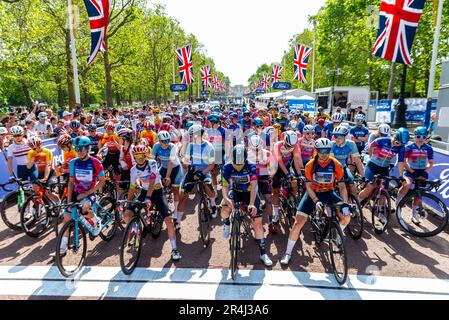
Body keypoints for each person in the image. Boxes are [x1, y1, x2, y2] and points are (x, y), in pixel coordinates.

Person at [280, 138, 349, 265]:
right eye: (321, 150)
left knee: (347, 216)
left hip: (328, 193)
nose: (324, 153)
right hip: (313, 193)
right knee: (298, 222)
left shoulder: (336, 164)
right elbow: (308, 186)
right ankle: (288, 252)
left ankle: (336, 234)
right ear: (316, 151)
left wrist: (345, 203)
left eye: (327, 150)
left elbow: (343, 187)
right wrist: (316, 201)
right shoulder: (310, 165)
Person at [50, 136, 106, 257]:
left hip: (89, 192)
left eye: (81, 149)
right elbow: (71, 182)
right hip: (76, 193)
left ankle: (96, 220)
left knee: (84, 208)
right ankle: (62, 249)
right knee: (66, 217)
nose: (79, 151)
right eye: (77, 149)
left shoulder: (96, 162)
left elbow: (102, 182)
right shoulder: (74, 162)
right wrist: (70, 200)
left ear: (87, 149)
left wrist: (86, 193)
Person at [124, 145, 181, 261]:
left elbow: (152, 180)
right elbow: (132, 187)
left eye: (142, 155)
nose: (139, 158)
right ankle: (135, 229)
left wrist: (149, 197)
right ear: (134, 156)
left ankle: (175, 249)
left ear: (146, 155)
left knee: (169, 220)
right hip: (145, 192)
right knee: (127, 214)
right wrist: (128, 203)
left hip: (157, 192)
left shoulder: (152, 163)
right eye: (137, 156)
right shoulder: (133, 170)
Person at [220, 144, 273, 267]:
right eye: (236, 163)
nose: (238, 166)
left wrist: (251, 204)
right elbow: (225, 185)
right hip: (236, 192)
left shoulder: (251, 166)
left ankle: (263, 254)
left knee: (258, 224)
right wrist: (226, 198)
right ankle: (227, 223)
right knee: (224, 207)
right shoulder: (227, 166)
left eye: (241, 163)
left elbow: (254, 185)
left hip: (250, 193)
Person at [358, 127, 408, 225]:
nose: (397, 145)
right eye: (397, 142)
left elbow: (401, 162)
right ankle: (357, 203)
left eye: (400, 144)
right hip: (372, 166)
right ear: (394, 137)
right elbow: (371, 145)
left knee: (383, 190)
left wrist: (401, 176)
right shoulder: (383, 140)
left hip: (384, 168)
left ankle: (380, 211)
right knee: (370, 186)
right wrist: (372, 156)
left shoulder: (401, 147)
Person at [179, 124, 217, 230]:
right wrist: (185, 162)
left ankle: (213, 204)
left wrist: (202, 172)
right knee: (182, 194)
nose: (192, 137)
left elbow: (212, 165)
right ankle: (177, 221)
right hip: (193, 171)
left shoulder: (209, 146)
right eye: (191, 135)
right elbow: (186, 161)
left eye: (193, 135)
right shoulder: (190, 146)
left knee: (208, 186)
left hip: (205, 171)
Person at [397, 126, 433, 224]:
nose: (421, 139)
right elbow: (404, 161)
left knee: (419, 194)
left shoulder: (428, 148)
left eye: (423, 136)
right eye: (418, 136)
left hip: (422, 171)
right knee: (407, 185)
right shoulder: (409, 147)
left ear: (426, 137)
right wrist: (412, 171)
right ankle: (398, 205)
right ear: (414, 136)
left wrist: (426, 170)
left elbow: (431, 162)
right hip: (410, 171)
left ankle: (414, 215)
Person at [151, 130, 184, 222]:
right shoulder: (156, 146)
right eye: (163, 141)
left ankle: (176, 213)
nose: (166, 143)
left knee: (175, 190)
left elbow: (170, 162)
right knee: (155, 185)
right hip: (164, 167)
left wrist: (168, 176)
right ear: (159, 141)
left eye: (167, 141)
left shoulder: (172, 147)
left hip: (175, 168)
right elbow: (152, 160)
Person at [330, 126, 364, 195]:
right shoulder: (331, 144)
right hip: (332, 168)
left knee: (352, 182)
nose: (337, 139)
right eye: (335, 136)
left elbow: (357, 161)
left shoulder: (351, 144)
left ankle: (355, 202)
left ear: (345, 136)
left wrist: (363, 176)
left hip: (343, 167)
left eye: (339, 137)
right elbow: (331, 161)